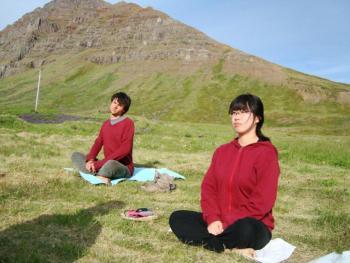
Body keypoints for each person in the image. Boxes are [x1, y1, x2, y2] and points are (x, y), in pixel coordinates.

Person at [169, 94, 280, 257]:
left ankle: (214, 241)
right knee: (177, 217)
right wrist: (213, 219)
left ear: (257, 118)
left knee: (245, 228)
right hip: (218, 222)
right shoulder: (222, 151)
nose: (236, 117)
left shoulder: (266, 153)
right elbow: (208, 188)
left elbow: (262, 201)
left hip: (251, 224)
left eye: (243, 112)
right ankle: (228, 247)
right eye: (234, 113)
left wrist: (228, 222)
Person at [71, 92, 134, 185]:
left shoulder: (128, 123)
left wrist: (99, 164)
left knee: (111, 164)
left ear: (124, 109)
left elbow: (125, 150)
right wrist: (90, 160)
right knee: (75, 155)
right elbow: (98, 143)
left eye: (119, 105)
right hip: (104, 163)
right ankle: (99, 175)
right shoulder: (105, 124)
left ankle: (97, 173)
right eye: (114, 103)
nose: (115, 106)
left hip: (122, 166)